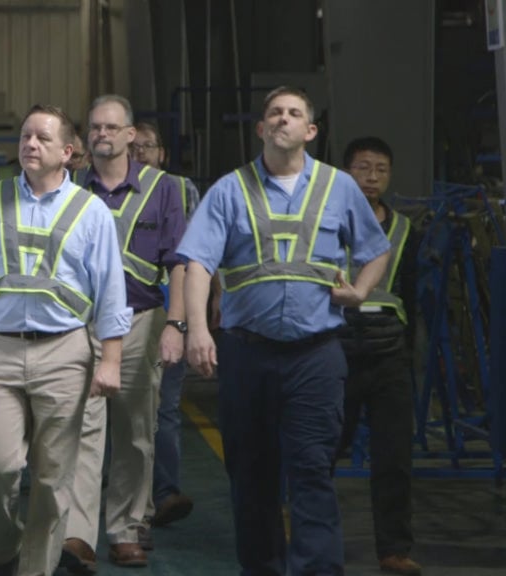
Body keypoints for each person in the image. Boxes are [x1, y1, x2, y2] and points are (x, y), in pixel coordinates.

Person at [178, 86, 391, 575]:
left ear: (310, 130)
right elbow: (198, 263)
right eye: (274, 112)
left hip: (315, 356)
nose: (283, 119)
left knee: (312, 470)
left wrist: (360, 291)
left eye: (294, 113)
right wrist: (197, 330)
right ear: (260, 128)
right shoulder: (230, 190)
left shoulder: (339, 187)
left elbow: (375, 249)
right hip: (246, 353)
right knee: (251, 474)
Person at [0, 104, 131, 576]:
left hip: (65, 353)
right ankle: (3, 552)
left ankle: (35, 569)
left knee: (53, 477)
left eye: (43, 138)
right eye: (26, 135)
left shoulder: (91, 212)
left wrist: (110, 361)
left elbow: (111, 291)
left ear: (68, 152)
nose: (30, 144)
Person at [62, 95, 186, 572]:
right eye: (95, 127)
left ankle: (127, 528)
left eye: (112, 127)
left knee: (136, 431)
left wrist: (176, 325)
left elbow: (179, 263)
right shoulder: (70, 187)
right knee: (83, 430)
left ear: (131, 135)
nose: (102, 134)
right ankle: (79, 535)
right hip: (82, 324)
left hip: (141, 321)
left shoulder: (163, 189)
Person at [336, 137, 421, 576]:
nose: (372, 177)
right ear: (346, 173)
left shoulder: (405, 230)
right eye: (363, 168)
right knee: (325, 450)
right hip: (338, 352)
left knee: (394, 458)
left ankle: (394, 550)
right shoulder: (327, 223)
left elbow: (411, 297)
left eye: (380, 169)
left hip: (389, 357)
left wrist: (408, 353)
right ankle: (310, 539)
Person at [128, 120, 202, 549]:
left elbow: (198, 253)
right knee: (126, 410)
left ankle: (164, 492)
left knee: (165, 407)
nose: (140, 153)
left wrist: (198, 311)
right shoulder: (112, 189)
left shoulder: (181, 189)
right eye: (134, 146)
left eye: (148, 146)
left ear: (163, 154)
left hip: (172, 315)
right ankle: (129, 494)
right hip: (127, 316)